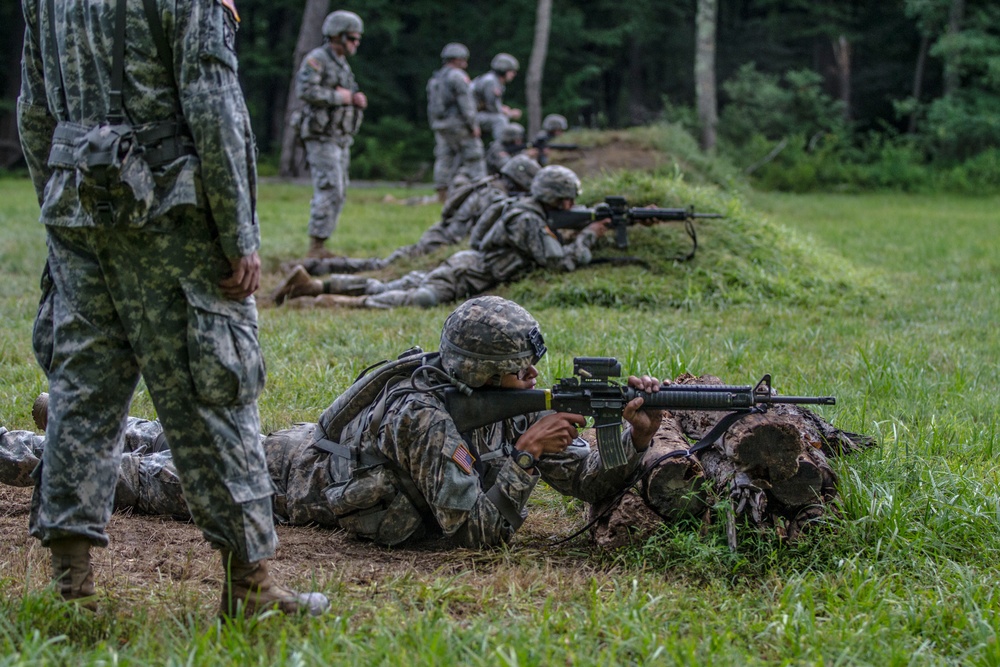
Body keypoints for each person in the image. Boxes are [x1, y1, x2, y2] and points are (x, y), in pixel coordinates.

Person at [16, 0, 326, 616]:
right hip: (171, 217)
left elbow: (34, 111)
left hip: (78, 210)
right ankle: (251, 586)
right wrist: (239, 231)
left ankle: (70, 590)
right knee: (214, 384)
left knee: (82, 386)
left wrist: (60, 195)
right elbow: (215, 107)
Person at [2, 297, 664, 548]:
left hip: (306, 447)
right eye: (521, 370)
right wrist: (523, 457)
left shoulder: (500, 400)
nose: (533, 380)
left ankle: (70, 414)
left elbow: (588, 484)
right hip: (296, 483)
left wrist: (634, 435)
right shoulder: (424, 415)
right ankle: (30, 447)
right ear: (481, 372)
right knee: (141, 477)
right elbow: (479, 531)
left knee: (187, 436)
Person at [270, 165, 608, 310]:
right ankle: (340, 302)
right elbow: (558, 261)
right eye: (567, 199)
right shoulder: (527, 218)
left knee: (391, 286)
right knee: (421, 298)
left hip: (465, 265)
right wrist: (588, 237)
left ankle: (313, 285)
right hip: (468, 273)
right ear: (555, 197)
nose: (571, 205)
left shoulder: (526, 211)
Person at [277, 154, 541, 279]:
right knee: (383, 271)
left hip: (437, 236)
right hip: (439, 245)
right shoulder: (495, 197)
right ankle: (317, 270)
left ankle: (314, 268)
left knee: (382, 266)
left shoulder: (485, 185)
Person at [295, 10, 368, 259]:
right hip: (321, 135)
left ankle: (321, 244)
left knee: (340, 189)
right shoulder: (317, 59)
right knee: (330, 187)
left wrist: (355, 99)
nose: (356, 44)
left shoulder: (341, 64)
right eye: (352, 38)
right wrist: (341, 97)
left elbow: (347, 93)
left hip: (339, 136)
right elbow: (305, 90)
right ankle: (315, 247)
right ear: (337, 36)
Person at [427, 43, 486, 202]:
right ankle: (482, 192)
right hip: (459, 125)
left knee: (444, 157)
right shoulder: (458, 77)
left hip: (441, 125)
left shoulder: (436, 79)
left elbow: (431, 106)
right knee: (474, 155)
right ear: (458, 60)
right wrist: (473, 125)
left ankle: (442, 194)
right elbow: (466, 103)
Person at [472, 53, 522, 140]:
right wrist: (509, 113)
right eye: (511, 71)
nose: (513, 74)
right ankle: (502, 146)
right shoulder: (491, 82)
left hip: (472, 113)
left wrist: (502, 109)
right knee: (500, 120)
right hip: (469, 116)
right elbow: (492, 107)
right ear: (503, 70)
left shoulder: (491, 79)